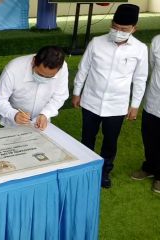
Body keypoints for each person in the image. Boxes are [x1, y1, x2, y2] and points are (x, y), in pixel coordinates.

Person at [72, 4, 148, 188]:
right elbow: (83, 69)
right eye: (115, 27)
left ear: (133, 29)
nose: (118, 31)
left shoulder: (139, 49)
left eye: (123, 29)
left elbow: (140, 78)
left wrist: (135, 104)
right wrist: (76, 92)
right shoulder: (96, 42)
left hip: (117, 104)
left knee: (110, 140)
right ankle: (85, 168)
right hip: (91, 100)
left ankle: (105, 171)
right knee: (87, 137)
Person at [0, 46, 69, 130]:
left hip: (41, 123)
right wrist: (14, 114)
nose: (43, 79)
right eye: (40, 74)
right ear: (33, 61)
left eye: (50, 77)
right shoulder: (13, 68)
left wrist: (45, 114)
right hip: (12, 123)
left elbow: (60, 96)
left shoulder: (63, 67)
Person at [131, 35, 160, 193]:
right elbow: (152, 65)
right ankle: (149, 167)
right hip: (153, 100)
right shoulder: (157, 41)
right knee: (149, 136)